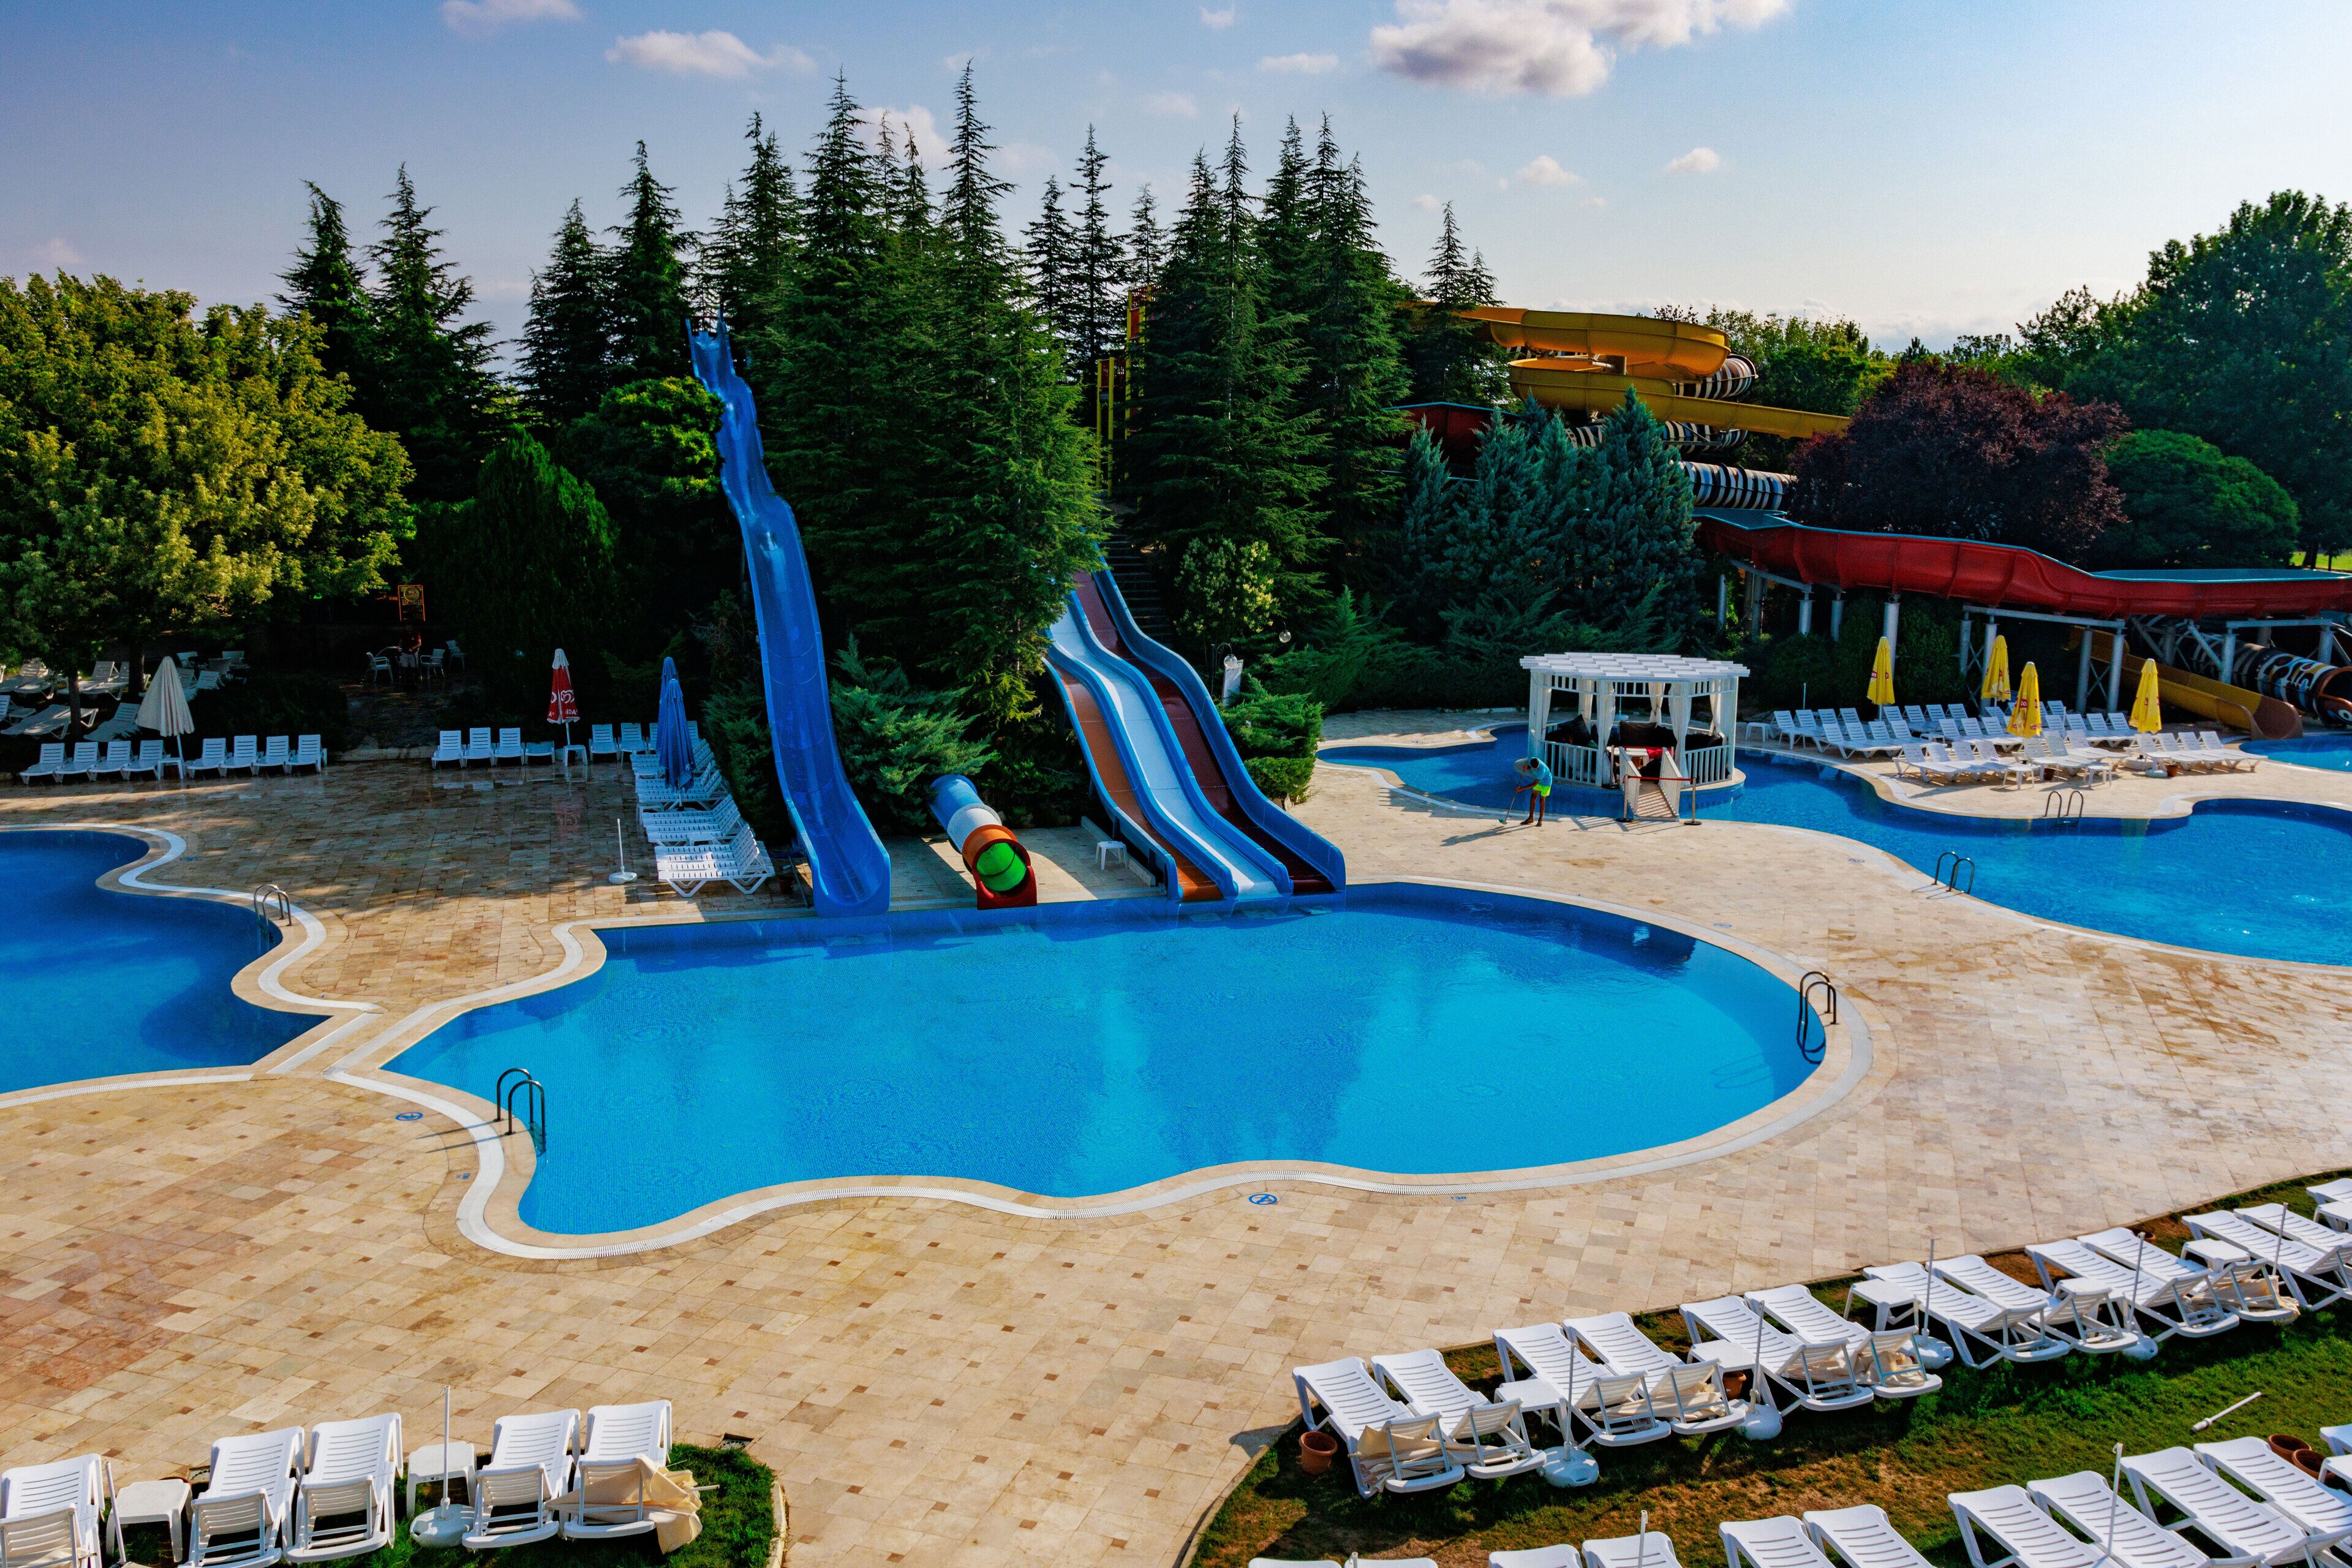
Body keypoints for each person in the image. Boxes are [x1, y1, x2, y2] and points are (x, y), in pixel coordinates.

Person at [1512, 753, 1553, 826]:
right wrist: (1527, 767)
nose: (1535, 769)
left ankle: (1540, 820)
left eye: (1536, 768)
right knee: (1533, 798)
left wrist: (1521, 789)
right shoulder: (1533, 760)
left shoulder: (1541, 771)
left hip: (1546, 782)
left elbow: (1534, 784)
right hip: (1539, 781)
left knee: (1542, 800)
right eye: (1534, 768)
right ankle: (1531, 818)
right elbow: (1531, 767)